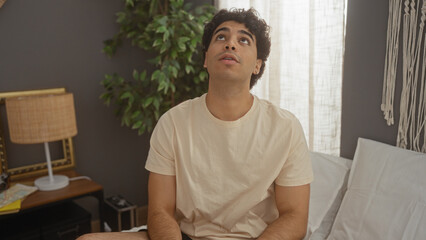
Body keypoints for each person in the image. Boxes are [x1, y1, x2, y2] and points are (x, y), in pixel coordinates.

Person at [78, 7, 313, 240]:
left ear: (257, 66)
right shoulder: (172, 123)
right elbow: (160, 211)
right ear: (205, 59)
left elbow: (295, 217)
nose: (230, 44)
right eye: (221, 37)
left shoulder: (285, 128)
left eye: (244, 40)